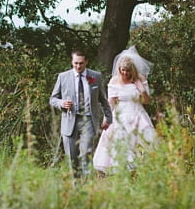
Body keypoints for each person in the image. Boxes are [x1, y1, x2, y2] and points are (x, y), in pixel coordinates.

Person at [93, 46, 157, 174]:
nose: (125, 74)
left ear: (132, 70)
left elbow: (147, 101)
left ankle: (141, 170)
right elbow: (111, 103)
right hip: (120, 115)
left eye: (128, 71)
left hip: (138, 114)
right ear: (119, 69)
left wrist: (142, 90)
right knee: (119, 142)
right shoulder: (115, 81)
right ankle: (121, 171)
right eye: (123, 70)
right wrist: (107, 119)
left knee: (142, 142)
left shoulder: (140, 79)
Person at [50, 50, 113, 178]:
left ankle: (86, 186)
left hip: (88, 120)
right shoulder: (63, 77)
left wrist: (108, 118)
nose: (78, 66)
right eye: (75, 63)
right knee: (72, 159)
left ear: (86, 62)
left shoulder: (96, 76)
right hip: (69, 121)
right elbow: (52, 99)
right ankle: (76, 188)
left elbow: (103, 99)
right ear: (72, 62)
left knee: (86, 155)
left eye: (81, 63)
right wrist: (61, 103)